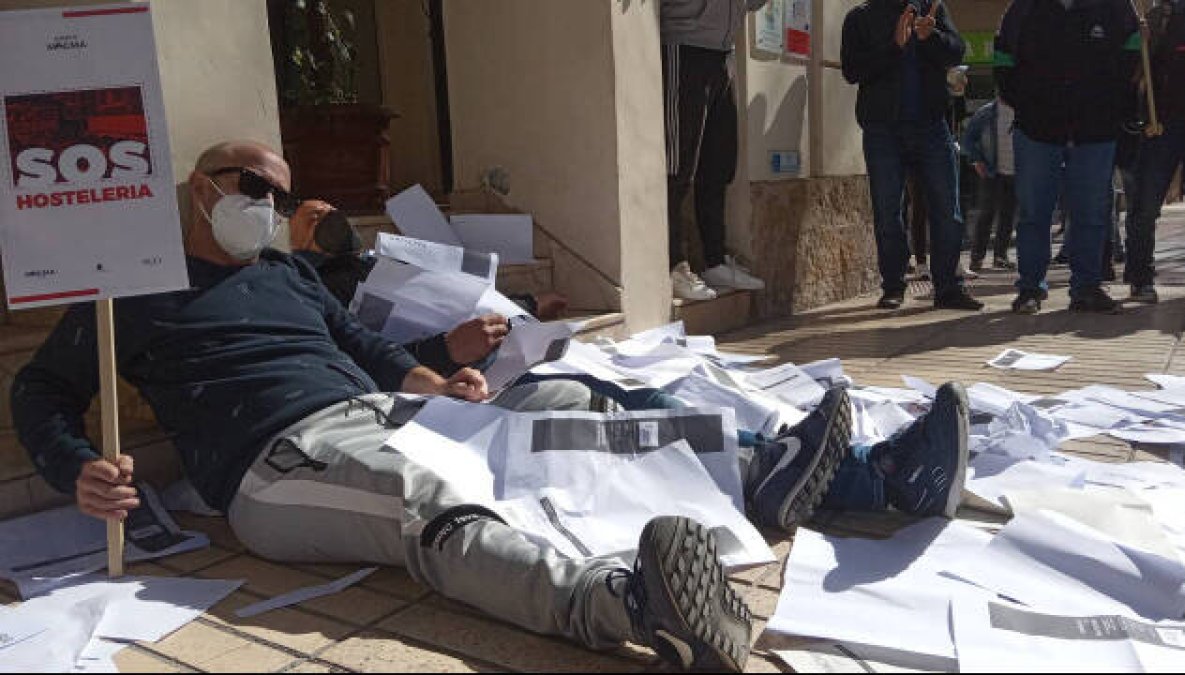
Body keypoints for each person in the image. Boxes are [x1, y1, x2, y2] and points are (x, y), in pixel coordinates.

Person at [11, 140, 974, 672]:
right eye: (250, 186)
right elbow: (40, 389)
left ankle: (845, 473)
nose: (264, 202)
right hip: (277, 464)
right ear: (199, 187)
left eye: (278, 191)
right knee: (421, 500)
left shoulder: (288, 274)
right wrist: (74, 467)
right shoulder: (130, 288)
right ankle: (628, 605)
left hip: (382, 411)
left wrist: (443, 374)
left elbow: (371, 350)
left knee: (570, 398)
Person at [288, 199, 566, 376]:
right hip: (437, 362)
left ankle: (524, 308)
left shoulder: (377, 256)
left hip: (486, 331)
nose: (327, 217)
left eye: (331, 211)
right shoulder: (315, 285)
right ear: (295, 241)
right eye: (313, 218)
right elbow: (361, 352)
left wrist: (526, 304)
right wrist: (445, 352)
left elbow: (449, 288)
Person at [995, 0, 1141, 314]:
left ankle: (1087, 287)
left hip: (1096, 129)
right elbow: (1003, 56)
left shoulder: (1115, 7)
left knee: (1091, 212)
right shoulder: (1024, 8)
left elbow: (1133, 51)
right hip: (1037, 129)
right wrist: (1025, 103)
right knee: (1034, 214)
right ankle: (1030, 288)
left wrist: (1113, 103)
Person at [841, 0, 983, 312]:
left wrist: (931, 37)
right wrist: (894, 47)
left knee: (947, 209)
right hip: (882, 129)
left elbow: (957, 52)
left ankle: (948, 288)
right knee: (888, 211)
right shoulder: (860, 17)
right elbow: (851, 71)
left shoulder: (932, 9)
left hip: (932, 126)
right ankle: (893, 286)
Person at [661, 0, 767, 301]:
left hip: (723, 55)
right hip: (684, 47)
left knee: (718, 165)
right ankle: (673, 264)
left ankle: (714, 260)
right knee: (678, 164)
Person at [1123, 0, 1185, 304]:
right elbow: (1135, 73)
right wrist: (1140, 42)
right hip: (1163, 123)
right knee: (1145, 206)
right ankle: (1141, 278)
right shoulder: (1159, 16)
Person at [962, 97, 1018, 272]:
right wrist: (976, 160)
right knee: (986, 214)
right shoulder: (986, 113)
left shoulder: (1025, 109)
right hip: (992, 172)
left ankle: (1000, 256)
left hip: (1016, 172)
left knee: (1008, 216)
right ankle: (977, 258)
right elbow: (968, 139)